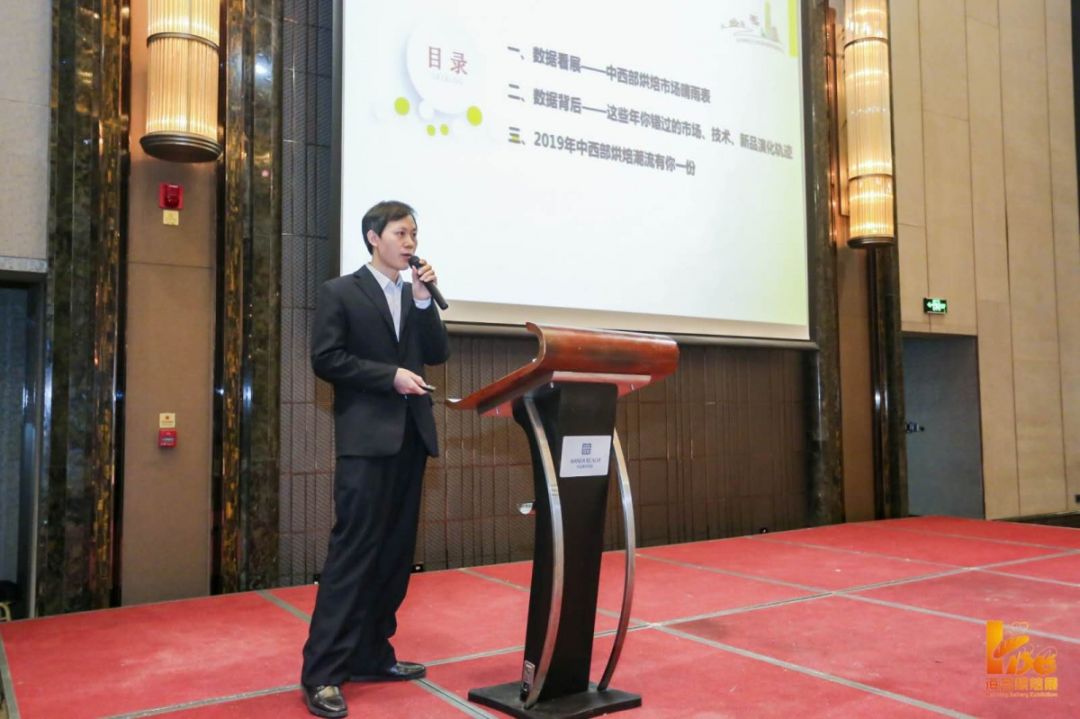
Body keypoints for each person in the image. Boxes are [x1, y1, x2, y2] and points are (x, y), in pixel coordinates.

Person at [300, 200, 450, 718]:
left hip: (412, 438)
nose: (410, 243)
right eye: (401, 233)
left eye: (414, 235)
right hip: (366, 442)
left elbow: (437, 353)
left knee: (394, 555)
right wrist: (389, 377)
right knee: (354, 553)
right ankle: (323, 671)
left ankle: (371, 654)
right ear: (373, 237)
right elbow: (326, 359)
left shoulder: (414, 294)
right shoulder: (340, 291)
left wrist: (425, 302)